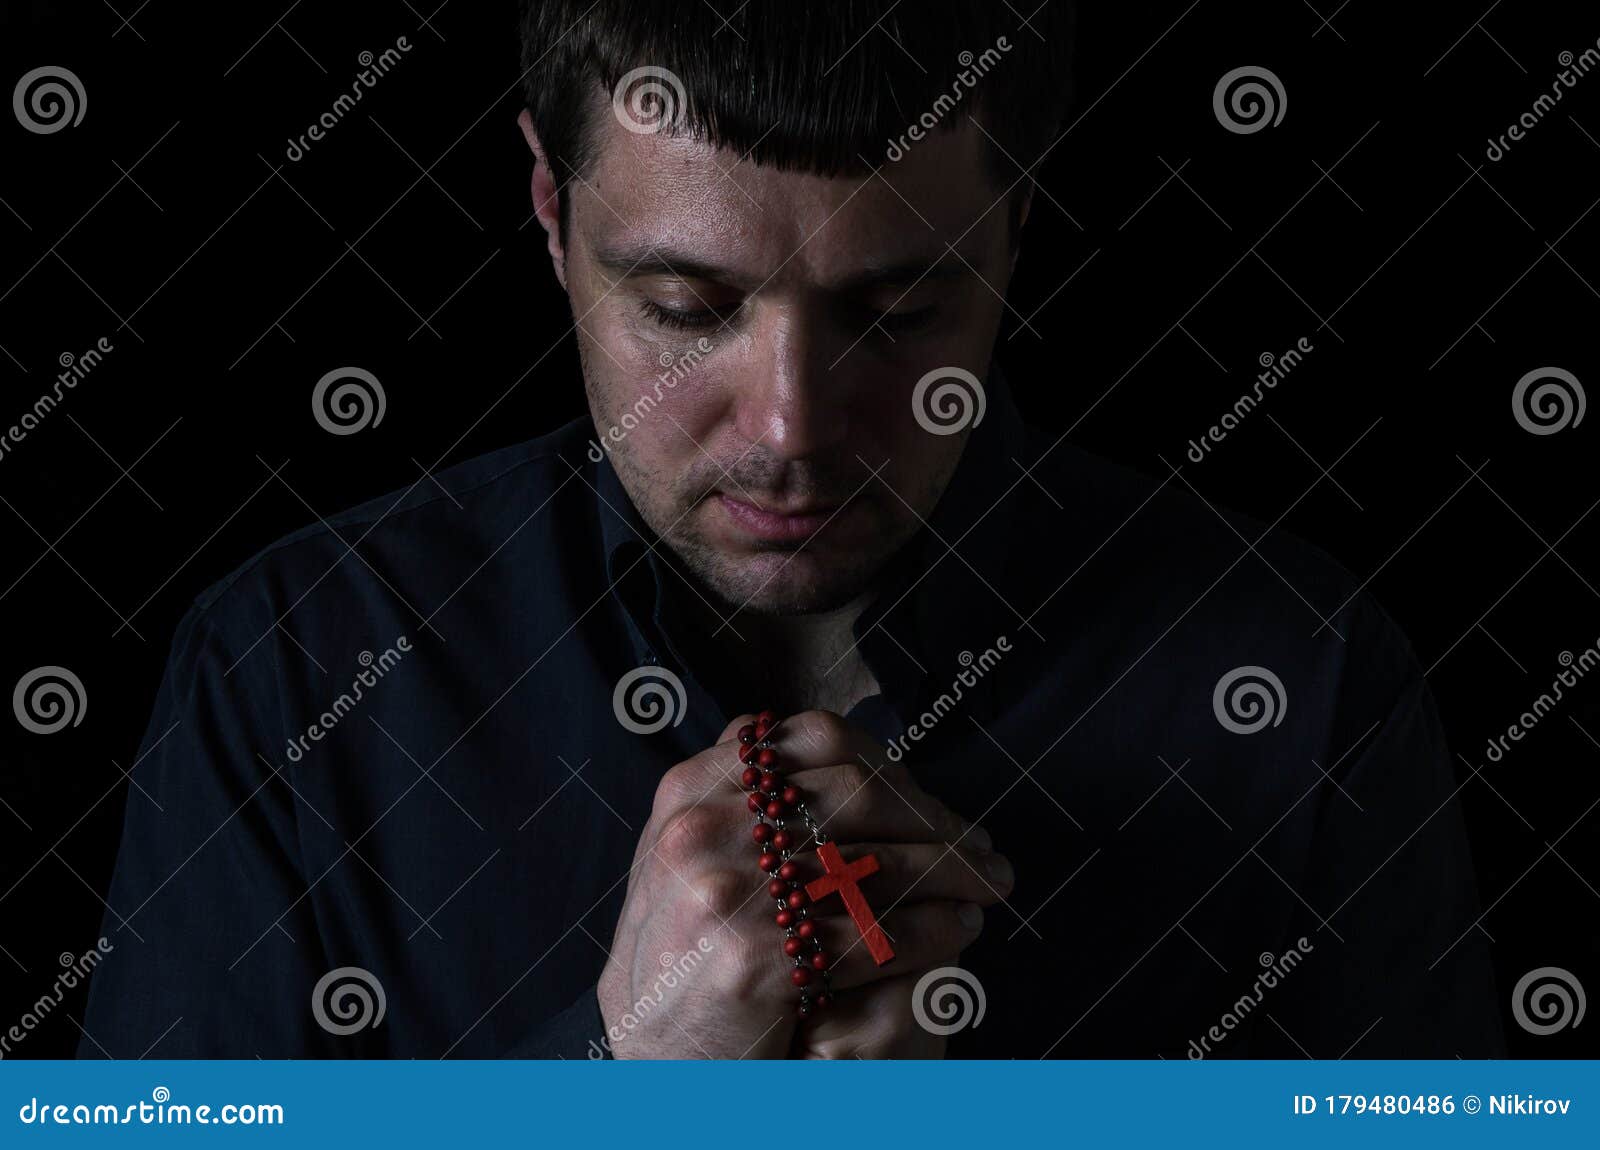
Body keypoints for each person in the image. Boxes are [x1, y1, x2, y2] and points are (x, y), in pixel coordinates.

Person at [79, 0, 1504, 1059]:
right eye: (686, 311)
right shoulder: (289, 670)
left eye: (898, 314)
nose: (790, 432)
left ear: (1016, 229)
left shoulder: (1304, 677)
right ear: (548, 207)